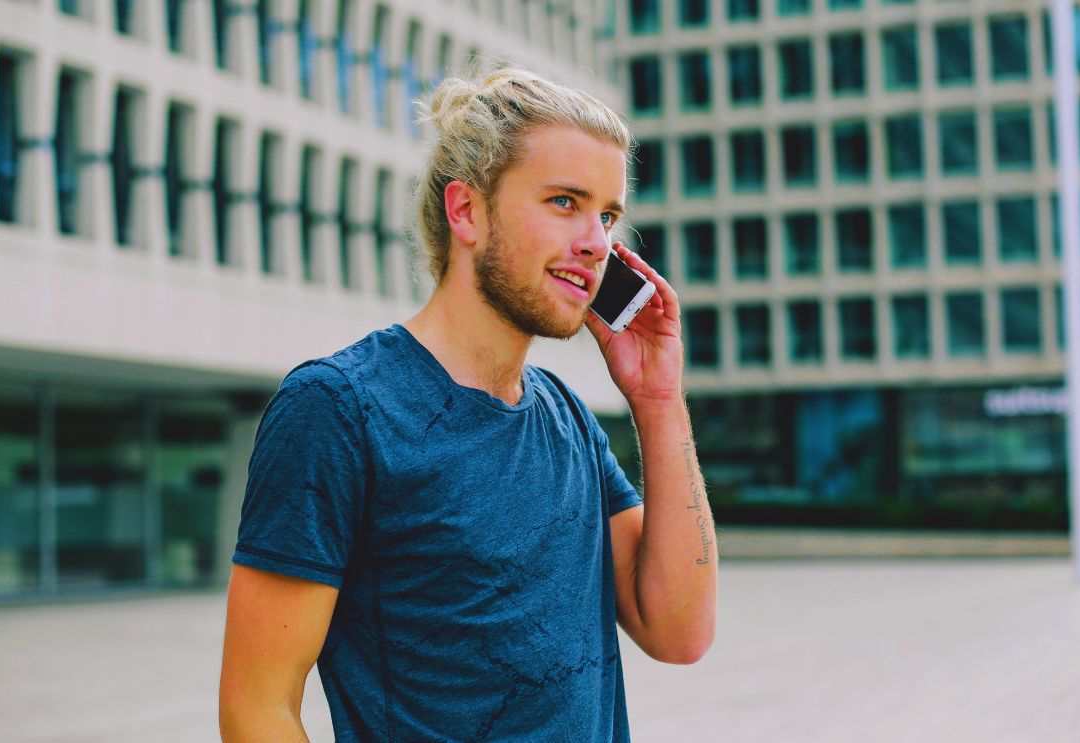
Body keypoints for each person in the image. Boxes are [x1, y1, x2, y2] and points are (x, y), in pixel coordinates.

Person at [219, 67, 718, 742]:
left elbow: (679, 632)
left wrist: (658, 399)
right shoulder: (337, 408)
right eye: (564, 202)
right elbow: (258, 705)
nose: (598, 243)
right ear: (466, 212)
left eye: (607, 215)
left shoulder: (566, 418)